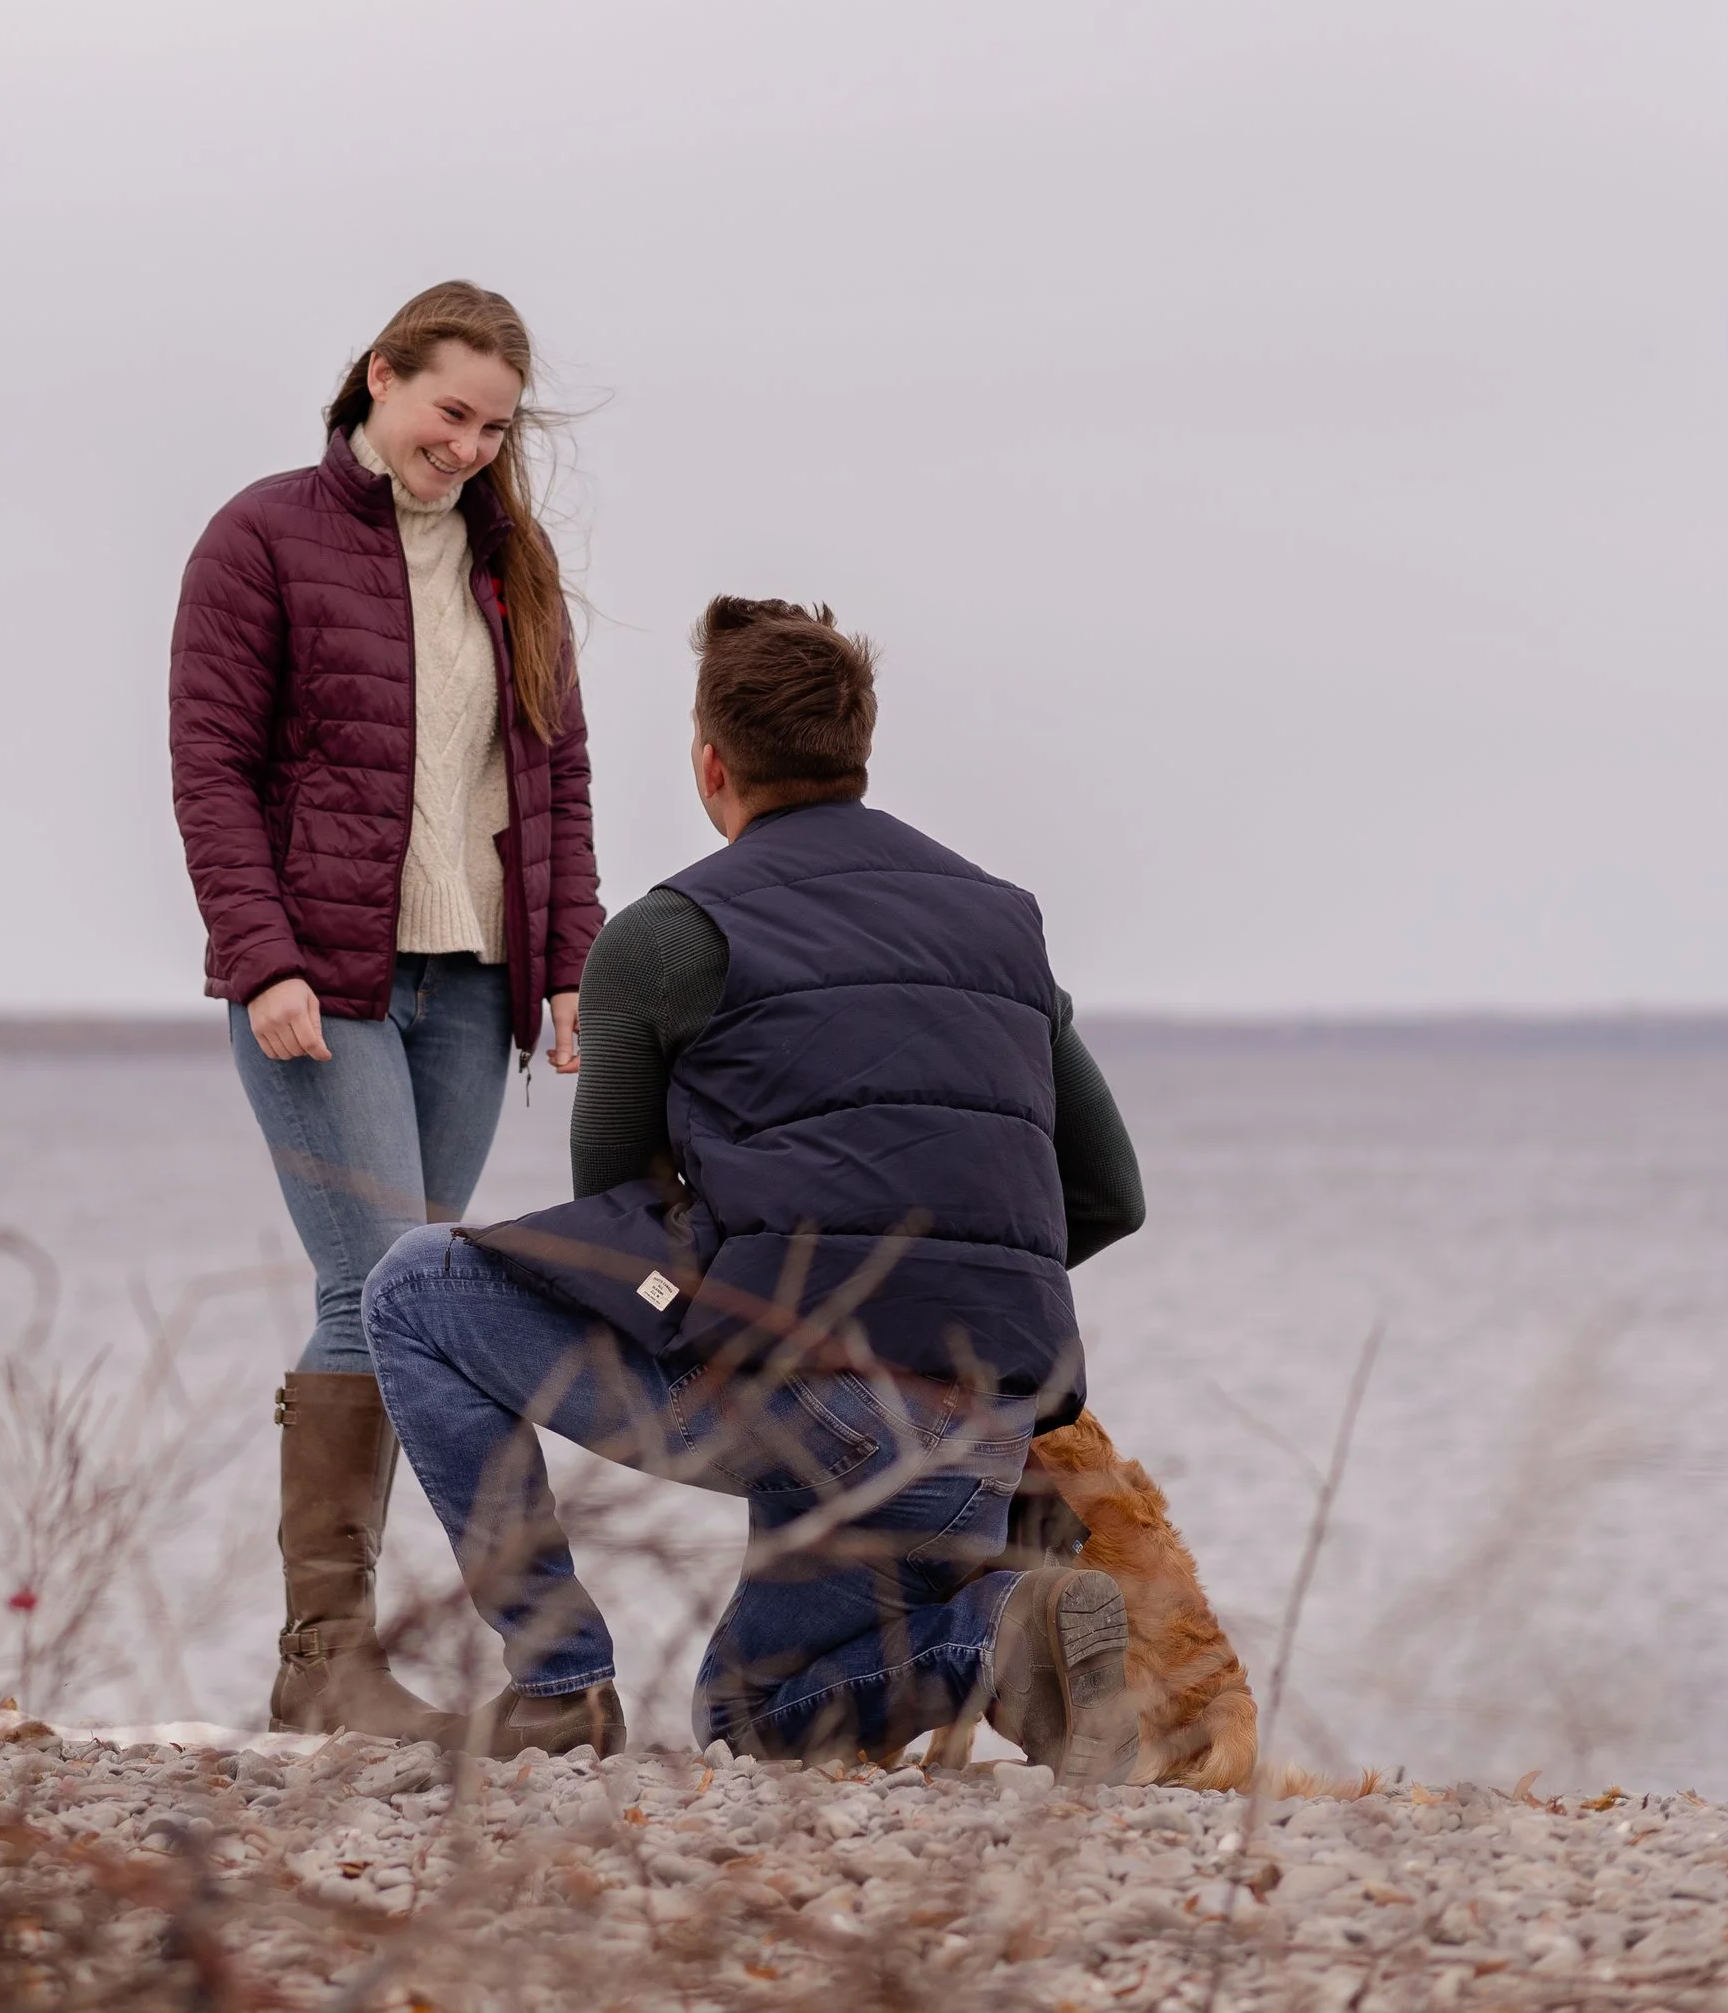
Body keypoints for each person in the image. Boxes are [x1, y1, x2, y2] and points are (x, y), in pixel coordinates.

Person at [363, 595, 1147, 1770]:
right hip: (978, 1433)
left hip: (805, 1409)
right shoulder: (1001, 923)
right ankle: (998, 1630)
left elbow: (618, 1226)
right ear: (858, 754)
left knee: (413, 1287)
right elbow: (1110, 1195)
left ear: (710, 761)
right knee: (754, 1723)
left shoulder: (669, 934)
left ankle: (560, 1680)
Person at [169, 281, 604, 1739]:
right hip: (322, 981)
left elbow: (554, 776)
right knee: (372, 1286)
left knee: (415, 1299)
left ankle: (368, 1664)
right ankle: (329, 1661)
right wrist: (262, 953)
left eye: (492, 427)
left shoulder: (511, 563)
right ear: (381, 378)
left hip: (474, 988)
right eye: (449, 412)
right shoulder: (262, 537)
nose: (468, 446)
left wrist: (568, 962)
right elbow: (211, 767)